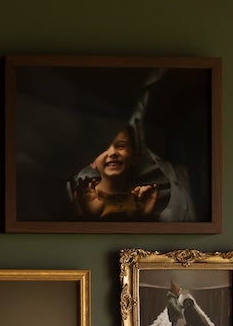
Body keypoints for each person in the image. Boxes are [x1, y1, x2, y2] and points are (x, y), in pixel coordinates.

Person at [67, 70, 197, 222]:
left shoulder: (141, 199)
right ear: (92, 160)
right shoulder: (82, 196)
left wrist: (146, 214)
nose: (112, 153)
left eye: (121, 146)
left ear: (135, 157)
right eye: (103, 148)